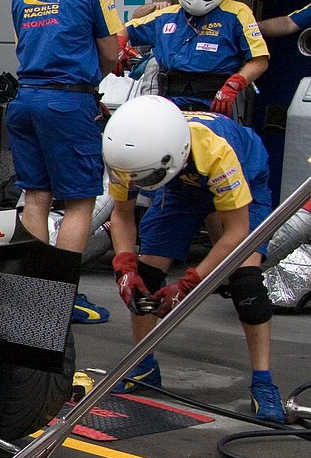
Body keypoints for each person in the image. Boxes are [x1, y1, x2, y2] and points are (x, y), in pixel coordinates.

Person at [103, 95, 284, 421]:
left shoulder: (217, 152)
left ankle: (263, 381)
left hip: (244, 179)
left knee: (246, 284)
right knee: (145, 276)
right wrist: (125, 267)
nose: (138, 185)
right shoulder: (127, 155)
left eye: (145, 180)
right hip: (180, 186)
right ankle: (143, 365)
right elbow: (122, 214)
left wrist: (189, 284)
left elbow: (236, 233)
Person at [8, 0, 123, 325]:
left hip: (24, 101)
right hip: (68, 102)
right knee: (80, 201)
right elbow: (111, 52)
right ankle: (60, 299)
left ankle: (35, 295)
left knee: (36, 198)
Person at [123, 0, 268, 116]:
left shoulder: (237, 13)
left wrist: (234, 84)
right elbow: (124, 30)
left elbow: (259, 60)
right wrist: (120, 48)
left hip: (217, 104)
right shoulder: (167, 15)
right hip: (169, 106)